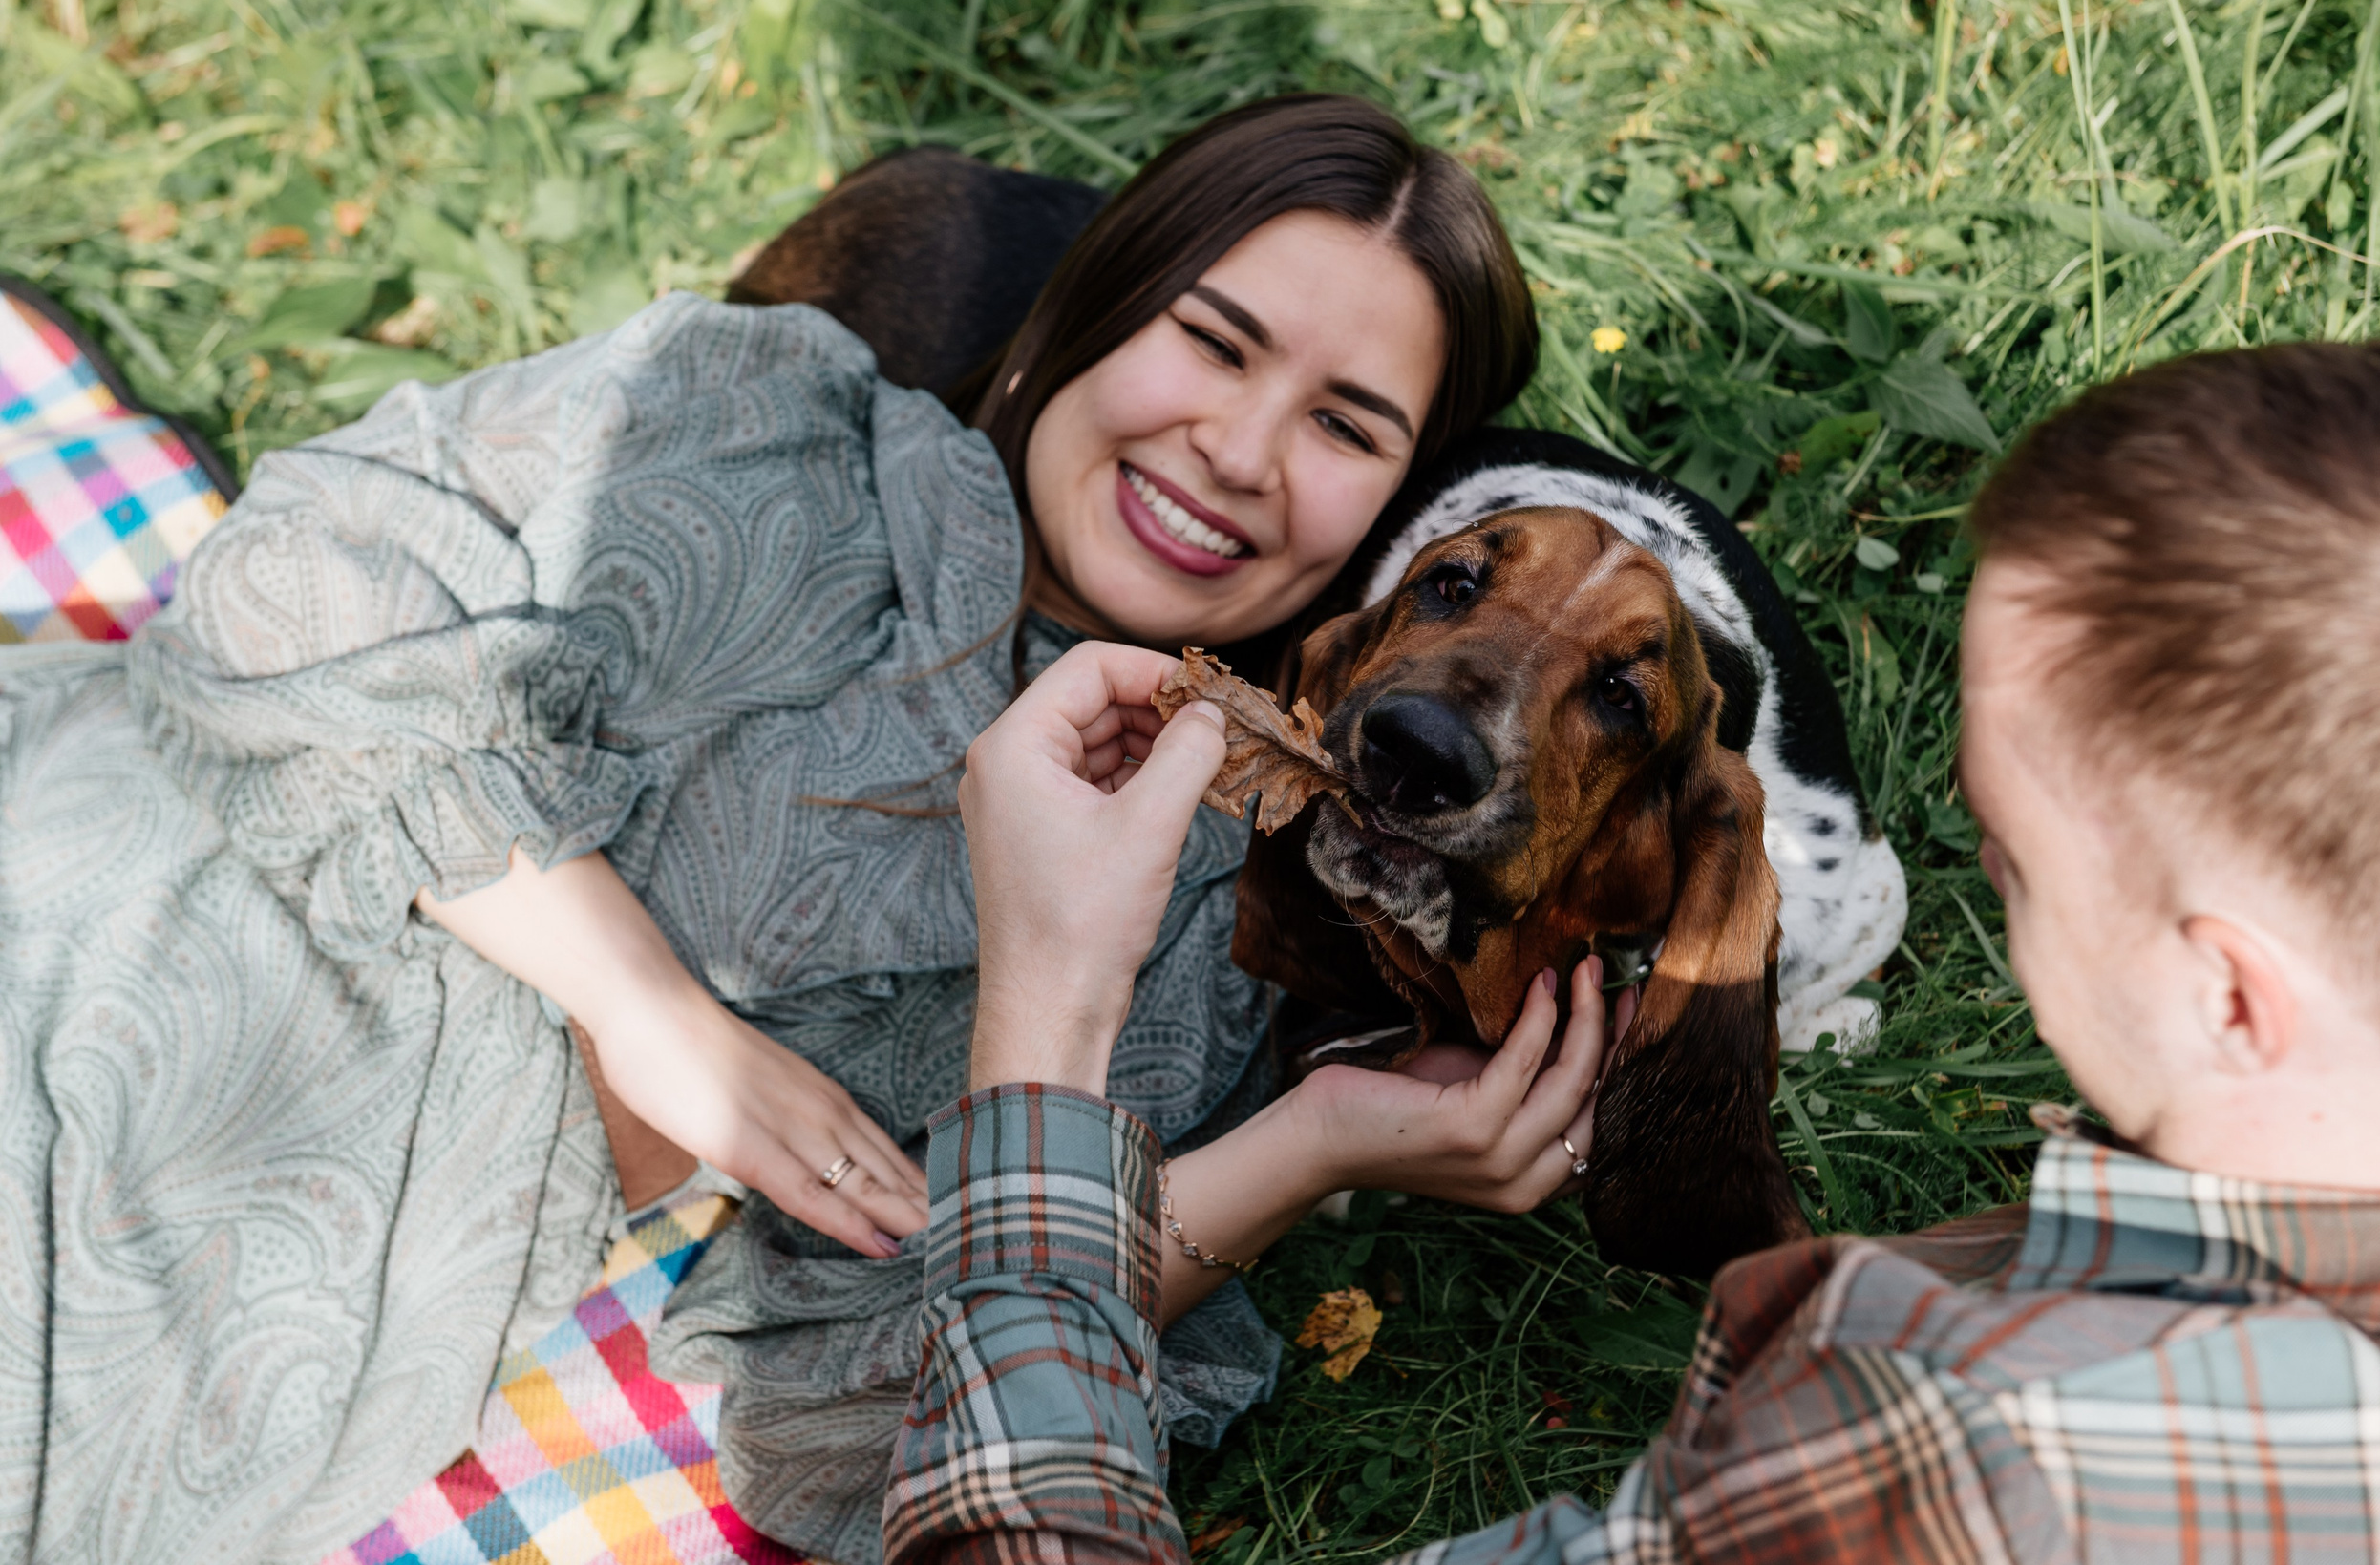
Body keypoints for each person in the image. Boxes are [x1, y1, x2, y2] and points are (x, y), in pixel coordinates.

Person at [0, 94, 1609, 1565]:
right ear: (1093, 311)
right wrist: (653, 1014)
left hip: (212, 1320)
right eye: (1212, 340)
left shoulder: (1187, 907)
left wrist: (1301, 1153)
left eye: (1346, 427)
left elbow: (877, 1425)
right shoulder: (774, 410)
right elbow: (284, 585)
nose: (1242, 453)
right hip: (86, 885)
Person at [891, 339, 2380, 1564]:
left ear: (2231, 995)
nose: (1982, 875)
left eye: (2008, 861)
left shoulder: (1977, 1469)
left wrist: (1041, 1027)